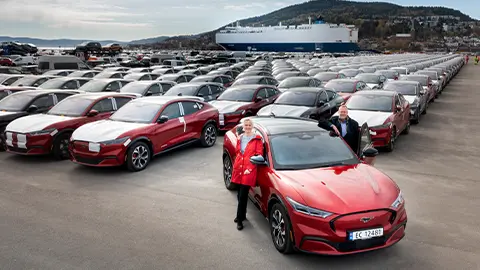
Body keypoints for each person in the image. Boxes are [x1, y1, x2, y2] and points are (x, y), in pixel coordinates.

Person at [231, 118, 264, 231]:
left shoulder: (257, 139)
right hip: (239, 168)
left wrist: (249, 168)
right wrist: (238, 164)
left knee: (243, 195)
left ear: (252, 126)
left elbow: (259, 155)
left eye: (250, 125)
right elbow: (238, 152)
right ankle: (242, 215)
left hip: (248, 170)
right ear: (243, 126)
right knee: (239, 193)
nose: (248, 127)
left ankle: (239, 219)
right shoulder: (240, 137)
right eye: (246, 125)